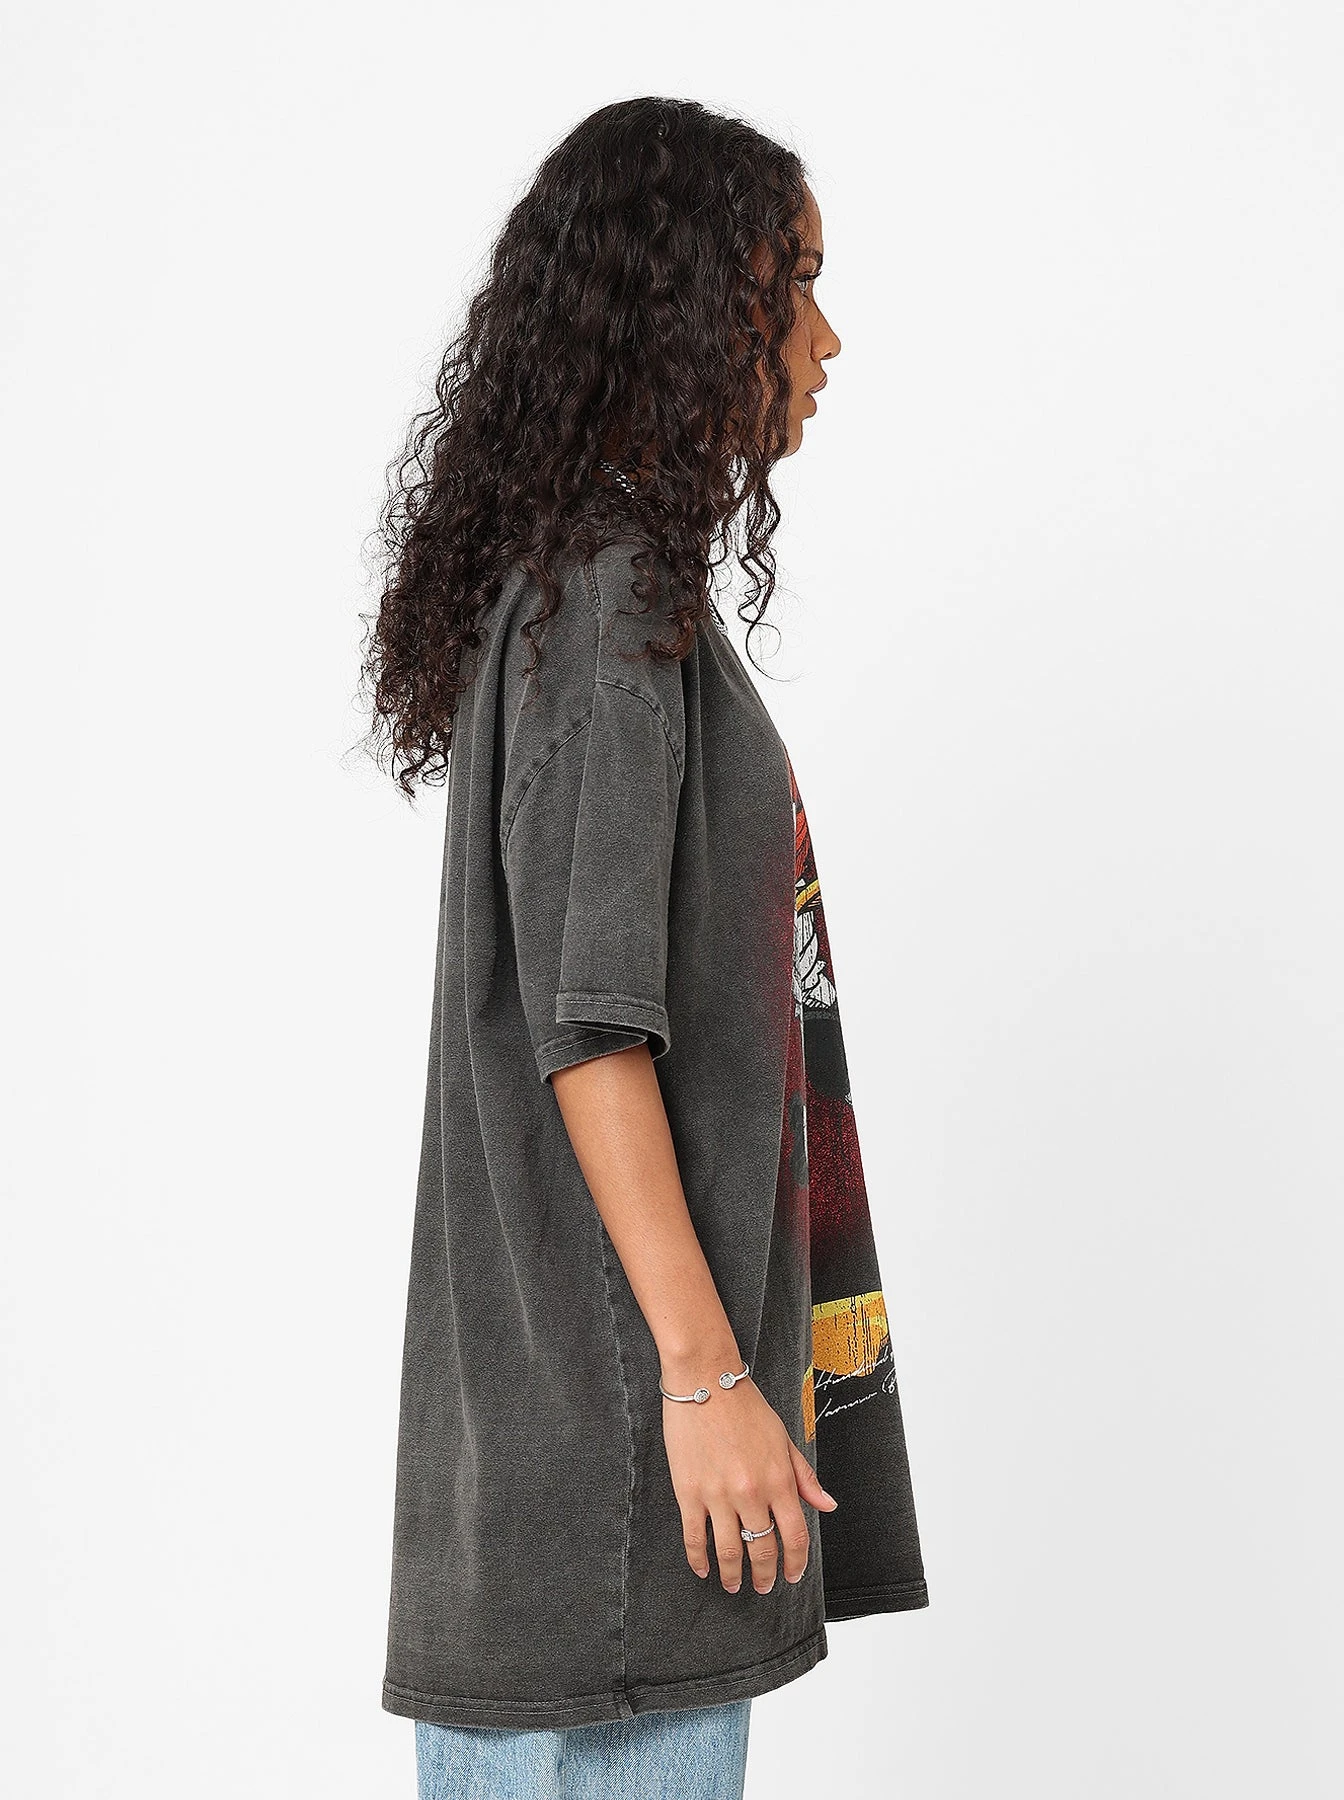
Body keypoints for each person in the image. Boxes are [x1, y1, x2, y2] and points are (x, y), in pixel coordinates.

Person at [359, 96, 928, 1800]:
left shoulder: (581, 585)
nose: (828, 339)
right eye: (795, 287)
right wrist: (703, 1378)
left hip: (580, 1459)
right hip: (624, 1462)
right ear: (690, 307)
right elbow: (591, 1029)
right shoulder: (612, 596)